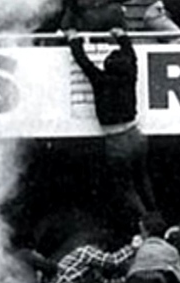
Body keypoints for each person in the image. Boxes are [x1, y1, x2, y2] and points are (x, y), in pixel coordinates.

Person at [66, 28, 157, 225]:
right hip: (135, 133)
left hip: (116, 140)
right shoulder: (130, 76)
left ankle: (145, 221)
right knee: (143, 178)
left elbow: (83, 61)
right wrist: (122, 36)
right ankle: (155, 214)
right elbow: (132, 56)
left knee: (127, 187)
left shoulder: (100, 80)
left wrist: (74, 40)